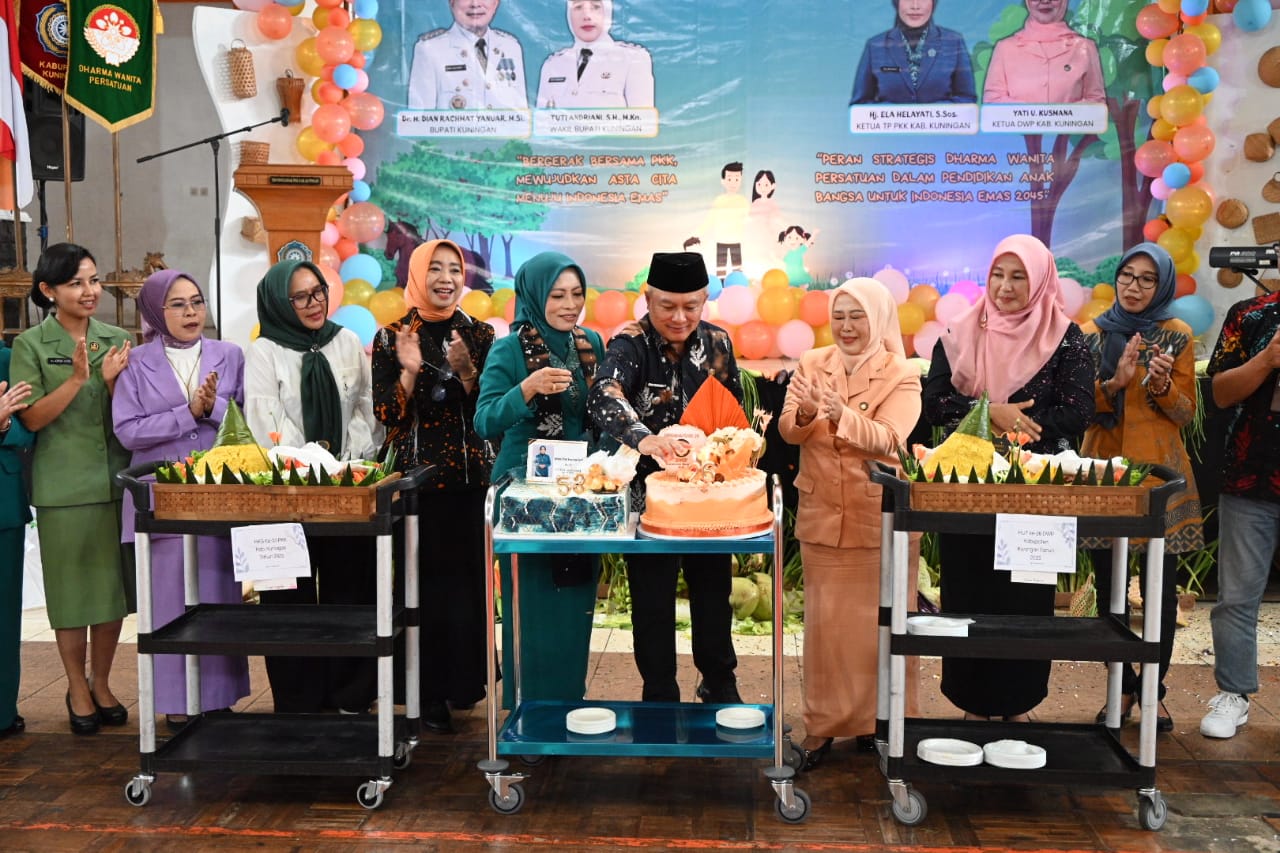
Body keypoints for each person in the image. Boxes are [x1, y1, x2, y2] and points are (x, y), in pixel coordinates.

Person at [923, 234, 1094, 721]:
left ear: (1040, 280)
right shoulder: (960, 332)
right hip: (967, 489)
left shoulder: (1066, 338)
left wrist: (1017, 426)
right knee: (969, 595)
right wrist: (989, 410)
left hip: (1034, 495)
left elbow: (1078, 411)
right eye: (998, 274)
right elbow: (934, 402)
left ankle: (1019, 707)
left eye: (1019, 276)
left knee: (1025, 600)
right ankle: (970, 706)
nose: (1005, 286)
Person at [779, 278, 922, 770]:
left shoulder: (902, 373)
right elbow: (789, 431)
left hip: (878, 521)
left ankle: (880, 725)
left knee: (881, 632)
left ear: (878, 319)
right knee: (827, 634)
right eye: (838, 316)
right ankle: (822, 728)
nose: (846, 326)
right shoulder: (811, 362)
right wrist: (804, 412)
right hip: (823, 517)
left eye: (857, 316)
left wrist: (840, 414)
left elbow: (889, 439)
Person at [588, 251, 743, 703]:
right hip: (650, 501)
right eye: (667, 306)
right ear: (648, 298)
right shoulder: (629, 344)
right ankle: (659, 692)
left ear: (704, 300)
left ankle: (719, 681)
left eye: (691, 306)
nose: (679, 317)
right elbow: (604, 393)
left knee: (713, 592)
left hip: (708, 496)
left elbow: (732, 409)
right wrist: (644, 438)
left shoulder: (718, 342)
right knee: (652, 600)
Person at [112, 269, 251, 729]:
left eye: (197, 301)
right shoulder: (136, 362)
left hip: (217, 496)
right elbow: (127, 430)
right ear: (156, 311)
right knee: (169, 606)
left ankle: (219, 697)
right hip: (161, 500)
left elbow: (246, 420)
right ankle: (175, 701)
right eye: (178, 304)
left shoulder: (229, 355)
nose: (191, 312)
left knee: (217, 597)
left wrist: (212, 407)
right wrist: (185, 413)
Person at [245, 259, 382, 715]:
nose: (314, 303)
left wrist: (342, 463)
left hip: (346, 488)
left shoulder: (346, 342)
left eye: (318, 291)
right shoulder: (264, 351)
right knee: (288, 599)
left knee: (351, 592)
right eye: (300, 297)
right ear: (279, 304)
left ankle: (351, 695)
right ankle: (299, 701)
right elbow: (266, 422)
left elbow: (366, 409)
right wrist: (313, 465)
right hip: (286, 493)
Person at [371, 239, 495, 734]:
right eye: (436, 269)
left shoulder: (481, 333)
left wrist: (467, 371)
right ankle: (426, 692)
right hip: (418, 483)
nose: (446, 279)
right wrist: (408, 372)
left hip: (469, 479)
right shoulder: (392, 336)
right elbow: (387, 413)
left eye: (455, 269)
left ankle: (465, 683)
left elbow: (489, 411)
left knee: (467, 587)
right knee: (424, 588)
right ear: (418, 274)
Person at [10, 242, 134, 735]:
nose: (89, 291)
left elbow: (132, 414)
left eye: (94, 280)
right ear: (48, 290)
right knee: (70, 595)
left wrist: (111, 385)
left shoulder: (117, 338)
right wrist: (77, 380)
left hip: (114, 481)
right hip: (63, 487)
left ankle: (101, 682)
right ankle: (75, 685)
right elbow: (32, 419)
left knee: (110, 594)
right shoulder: (31, 345)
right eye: (75, 283)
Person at [1079, 244, 1202, 734]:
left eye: (1147, 279)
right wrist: (1114, 383)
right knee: (1109, 591)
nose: (1134, 286)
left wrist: (1161, 386)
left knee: (1160, 595)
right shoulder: (1090, 334)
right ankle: (1122, 687)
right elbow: (1079, 408)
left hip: (1158, 478)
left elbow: (1186, 412)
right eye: (1127, 275)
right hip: (1103, 476)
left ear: (1162, 285)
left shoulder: (1177, 335)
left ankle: (1152, 692)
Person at [474, 251, 605, 709]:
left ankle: (568, 705)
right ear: (534, 296)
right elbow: (485, 421)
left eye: (577, 294)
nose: (570, 305)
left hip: (579, 495)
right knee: (531, 607)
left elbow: (599, 413)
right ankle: (526, 710)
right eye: (557, 295)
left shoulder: (590, 343)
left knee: (574, 603)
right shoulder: (509, 349)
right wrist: (526, 389)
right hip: (524, 500)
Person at [1199, 272, 1280, 739]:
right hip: (1251, 476)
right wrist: (1268, 358)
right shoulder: (1251, 315)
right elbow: (1220, 393)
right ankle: (1234, 693)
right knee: (1236, 597)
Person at [0, 342, 34, 740]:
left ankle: (2, 711)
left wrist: (4, 425)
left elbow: (31, 427)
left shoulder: (9, 359)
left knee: (4, 615)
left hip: (3, 504)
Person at [850, 0, 977, 104]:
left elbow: (967, 99)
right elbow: (860, 104)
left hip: (940, 128)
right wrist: (893, 115)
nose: (915, 6)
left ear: (933, 3)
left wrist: (932, 114)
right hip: (890, 128)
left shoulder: (953, 42)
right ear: (897, 3)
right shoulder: (875, 46)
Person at [408, 0, 528, 110]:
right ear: (452, 2)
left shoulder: (511, 47)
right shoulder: (430, 49)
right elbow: (419, 119)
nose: (475, 4)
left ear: (495, 3)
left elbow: (521, 116)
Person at [536, 0, 654, 109]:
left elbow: (642, 120)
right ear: (569, 14)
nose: (586, 16)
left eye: (595, 7)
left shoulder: (633, 59)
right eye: (578, 7)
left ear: (607, 12)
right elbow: (543, 120)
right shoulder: (553, 64)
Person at [982, 0, 1105, 104]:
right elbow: (993, 100)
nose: (1045, 1)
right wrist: (1033, 118)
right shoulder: (1005, 48)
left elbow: (1096, 101)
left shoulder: (1085, 48)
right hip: (1018, 127)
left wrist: (1063, 119)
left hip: (1072, 127)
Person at [705, 162, 748, 279]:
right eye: (729, 179)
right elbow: (710, 219)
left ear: (741, 180)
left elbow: (747, 218)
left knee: (737, 268)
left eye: (736, 179)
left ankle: (738, 283)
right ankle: (720, 285)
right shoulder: (719, 200)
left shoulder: (743, 201)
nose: (733, 183)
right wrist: (698, 234)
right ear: (723, 181)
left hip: (736, 239)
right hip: (721, 239)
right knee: (721, 267)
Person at [744, 169, 783, 275]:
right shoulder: (755, 202)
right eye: (759, 184)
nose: (762, 188)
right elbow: (750, 218)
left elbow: (777, 219)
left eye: (766, 185)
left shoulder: (772, 203)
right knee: (757, 255)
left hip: (768, 235)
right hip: (756, 235)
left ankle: (771, 273)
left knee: (769, 255)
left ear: (773, 186)